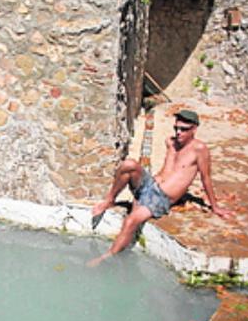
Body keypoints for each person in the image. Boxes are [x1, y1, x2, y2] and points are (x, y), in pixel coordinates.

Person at [87, 109, 231, 267]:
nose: (178, 133)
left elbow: (206, 178)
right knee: (128, 165)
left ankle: (107, 257)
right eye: (176, 128)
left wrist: (215, 207)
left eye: (184, 129)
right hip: (150, 184)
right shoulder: (170, 142)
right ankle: (109, 200)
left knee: (131, 221)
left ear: (194, 129)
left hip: (161, 198)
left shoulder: (200, 150)